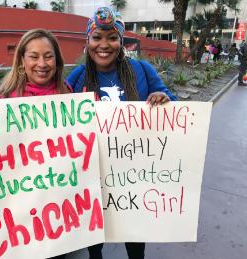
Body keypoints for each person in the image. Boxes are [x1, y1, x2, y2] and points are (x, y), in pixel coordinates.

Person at [65, 7, 177, 259]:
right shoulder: (79, 75)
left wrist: (164, 99)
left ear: (121, 41)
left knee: (134, 240)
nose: (104, 45)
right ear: (88, 41)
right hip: (93, 176)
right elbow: (54, 115)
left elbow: (176, 110)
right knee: (95, 241)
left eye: (112, 37)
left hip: (133, 177)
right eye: (97, 37)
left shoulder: (142, 70)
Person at [0, 28, 69, 259]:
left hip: (60, 214)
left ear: (57, 62)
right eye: (33, 56)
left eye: (48, 56)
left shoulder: (68, 97)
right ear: (21, 61)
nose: (42, 63)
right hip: (20, 216)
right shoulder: (4, 103)